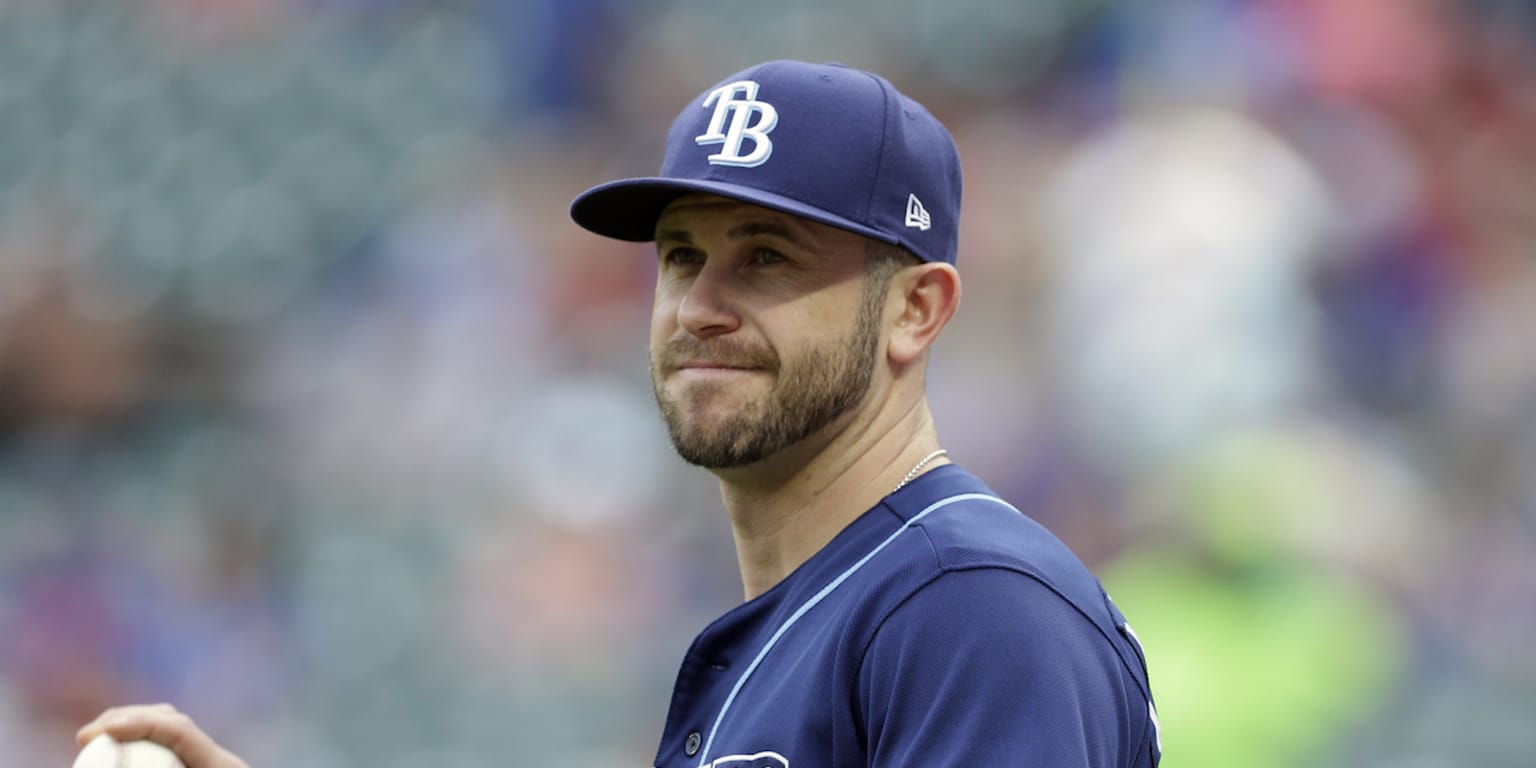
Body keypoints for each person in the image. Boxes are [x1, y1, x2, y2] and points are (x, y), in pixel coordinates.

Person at [78, 60, 1160, 767]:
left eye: (767, 258)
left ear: (915, 310)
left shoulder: (965, 607)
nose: (702, 305)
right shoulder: (812, 618)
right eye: (682, 256)